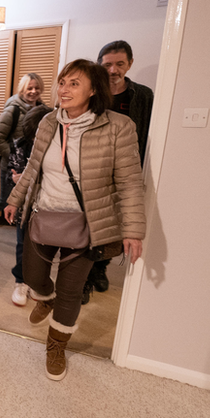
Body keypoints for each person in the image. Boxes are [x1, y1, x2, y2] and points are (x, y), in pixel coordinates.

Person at [4, 60, 145, 381]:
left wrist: (133, 231)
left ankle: (56, 347)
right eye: (62, 82)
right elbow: (33, 167)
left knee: (71, 291)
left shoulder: (119, 128)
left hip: (88, 223)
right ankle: (46, 297)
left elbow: (130, 182)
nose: (63, 90)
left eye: (74, 84)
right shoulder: (47, 122)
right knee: (33, 276)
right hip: (44, 214)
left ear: (94, 90)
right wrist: (14, 199)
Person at [86, 41, 154, 299]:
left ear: (130, 64)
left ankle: (99, 268)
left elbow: (148, 133)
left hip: (125, 171)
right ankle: (83, 278)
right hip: (94, 170)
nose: (113, 70)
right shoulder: (91, 93)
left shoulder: (143, 95)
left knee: (113, 226)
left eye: (119, 64)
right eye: (107, 64)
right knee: (91, 225)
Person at [5, 104, 51, 306]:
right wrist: (16, 179)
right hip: (25, 205)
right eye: (32, 136)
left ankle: (38, 283)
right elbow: (11, 173)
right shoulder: (19, 144)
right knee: (23, 245)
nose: (35, 141)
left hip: (50, 206)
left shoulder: (60, 146)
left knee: (45, 248)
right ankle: (21, 281)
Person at [0, 73, 44, 222]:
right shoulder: (13, 110)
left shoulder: (43, 110)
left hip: (32, 166)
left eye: (37, 88)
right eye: (29, 88)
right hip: (11, 167)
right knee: (4, 201)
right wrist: (14, 159)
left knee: (25, 203)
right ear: (22, 89)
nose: (33, 91)